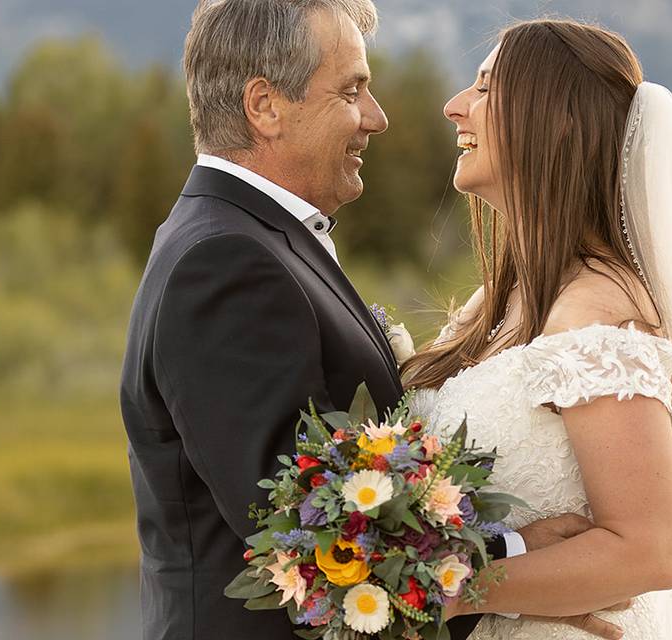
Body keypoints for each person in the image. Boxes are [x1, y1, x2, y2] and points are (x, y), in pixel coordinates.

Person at [120, 3, 602, 639]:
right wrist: (513, 556)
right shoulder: (226, 261)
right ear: (265, 106)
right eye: (352, 91)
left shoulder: (249, 240)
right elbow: (305, 533)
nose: (377, 118)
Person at [404, 18, 672, 640]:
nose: (455, 108)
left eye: (483, 88)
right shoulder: (499, 301)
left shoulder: (600, 314)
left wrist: (448, 590)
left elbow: (649, 551)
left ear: (556, 119)